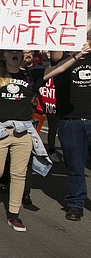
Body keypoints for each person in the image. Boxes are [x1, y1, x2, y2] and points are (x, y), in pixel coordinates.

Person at [0, 42, 88, 232]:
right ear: (4, 56)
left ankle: (14, 214)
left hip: (23, 132)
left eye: (18, 51)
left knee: (19, 175)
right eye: (11, 51)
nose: (15, 54)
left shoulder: (32, 75)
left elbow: (58, 68)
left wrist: (77, 56)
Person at [50, 43, 91, 221]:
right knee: (75, 166)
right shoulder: (62, 59)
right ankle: (76, 204)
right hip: (70, 122)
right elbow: (56, 49)